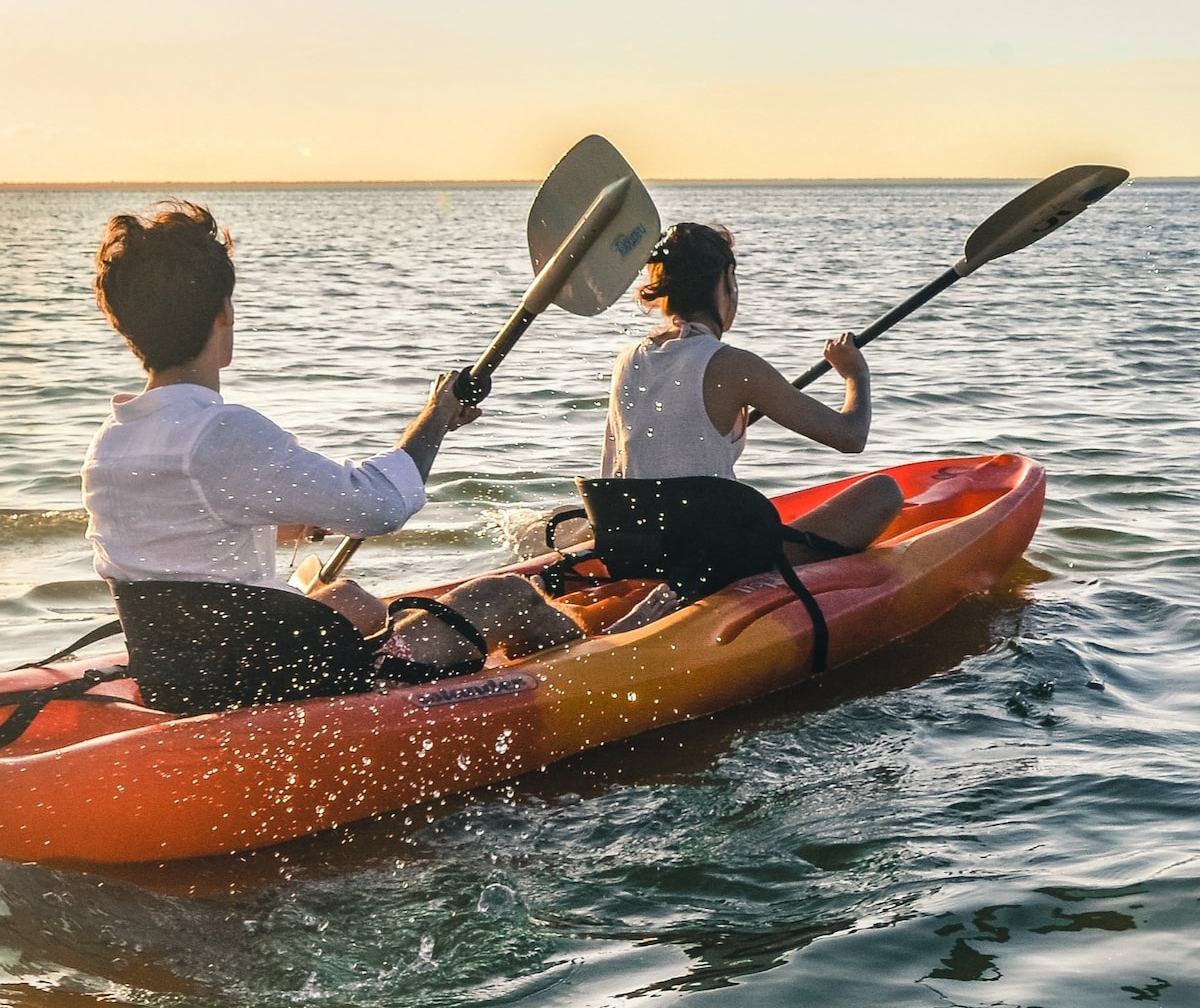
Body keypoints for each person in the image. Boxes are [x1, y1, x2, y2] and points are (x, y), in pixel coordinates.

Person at [83, 201, 583, 685]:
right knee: (506, 595)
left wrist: (293, 519)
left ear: (123, 325)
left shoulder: (112, 442)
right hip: (287, 682)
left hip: (185, 680)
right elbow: (381, 505)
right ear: (224, 312)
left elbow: (186, 535)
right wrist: (435, 415)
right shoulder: (219, 431)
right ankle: (607, 655)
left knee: (343, 595)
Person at [598, 222, 903, 624]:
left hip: (639, 548)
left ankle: (670, 585)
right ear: (726, 278)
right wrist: (854, 375)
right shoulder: (734, 365)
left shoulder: (627, 359)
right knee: (883, 492)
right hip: (716, 561)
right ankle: (697, 590)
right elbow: (850, 436)